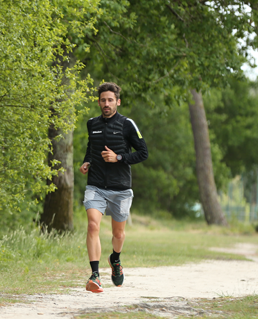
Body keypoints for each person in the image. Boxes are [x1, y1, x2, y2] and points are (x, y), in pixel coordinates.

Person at [79, 82, 148, 293]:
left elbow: (143, 152)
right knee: (93, 226)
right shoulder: (92, 123)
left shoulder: (127, 124)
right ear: (98, 102)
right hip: (96, 185)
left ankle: (115, 259)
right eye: (103, 100)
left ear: (117, 101)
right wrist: (87, 161)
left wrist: (118, 157)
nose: (106, 104)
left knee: (118, 235)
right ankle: (95, 276)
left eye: (110, 100)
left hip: (120, 188)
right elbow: (92, 146)